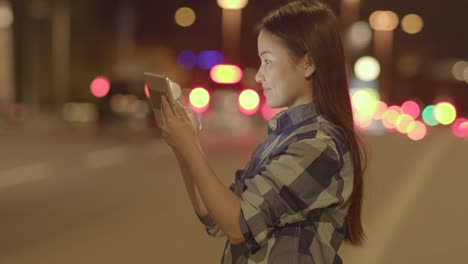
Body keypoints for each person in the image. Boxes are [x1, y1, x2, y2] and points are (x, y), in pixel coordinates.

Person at [158, 0, 367, 263]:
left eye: (267, 61)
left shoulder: (318, 145)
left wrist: (188, 145)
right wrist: (185, 144)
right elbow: (214, 215)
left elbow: (237, 224)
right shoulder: (284, 138)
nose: (259, 76)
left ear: (307, 63)